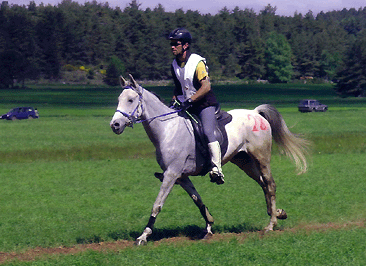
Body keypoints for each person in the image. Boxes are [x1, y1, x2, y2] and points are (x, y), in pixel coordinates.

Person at [168, 27, 224, 185]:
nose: (172, 46)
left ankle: (217, 168)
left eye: (175, 44)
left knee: (207, 131)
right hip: (187, 104)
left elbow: (206, 87)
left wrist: (191, 100)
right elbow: (178, 88)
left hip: (204, 104)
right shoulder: (174, 64)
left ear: (185, 45)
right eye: (171, 44)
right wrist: (173, 102)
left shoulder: (197, 62)